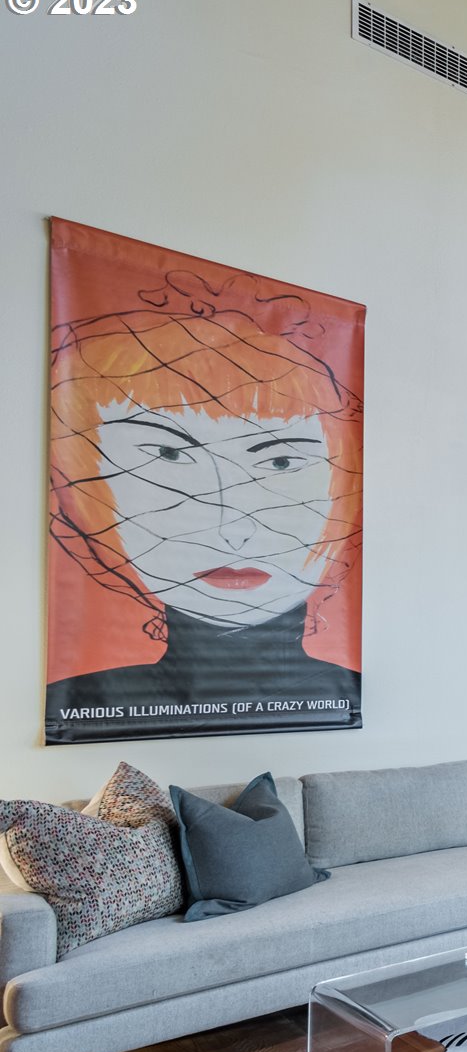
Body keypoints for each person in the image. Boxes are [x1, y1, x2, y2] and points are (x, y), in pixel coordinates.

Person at [45, 270, 363, 742]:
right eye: (169, 455)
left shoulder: (358, 698)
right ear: (86, 490)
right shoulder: (75, 704)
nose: (232, 525)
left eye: (281, 460)